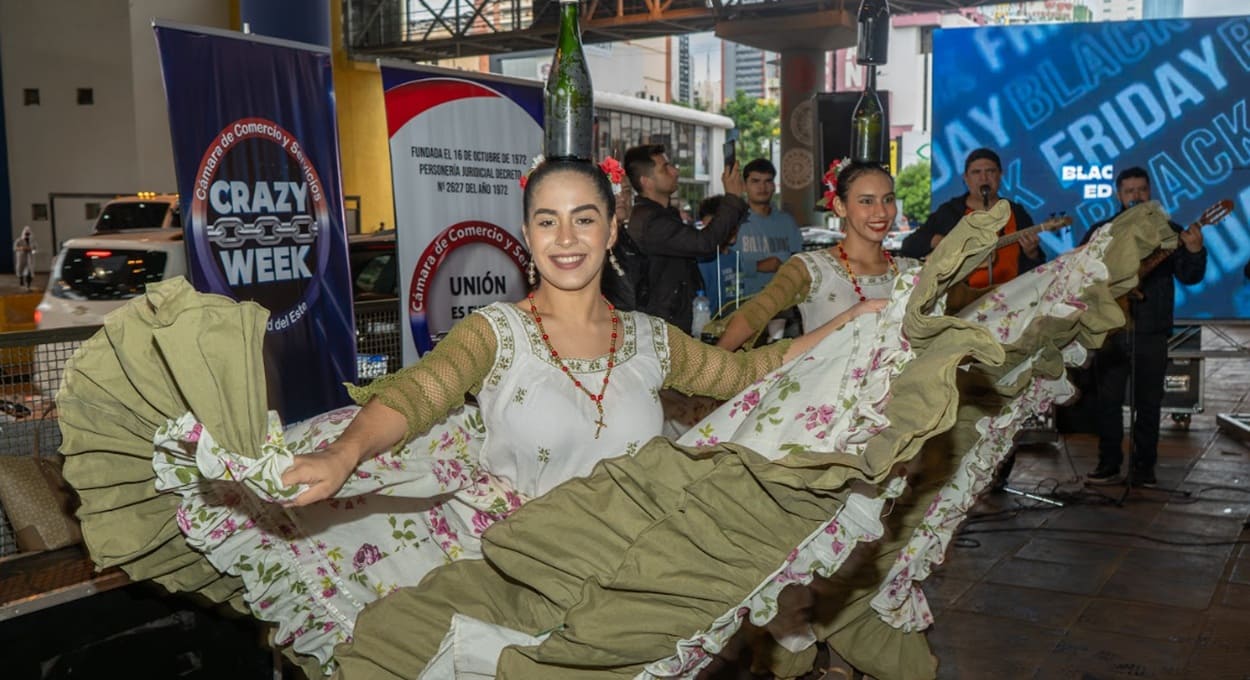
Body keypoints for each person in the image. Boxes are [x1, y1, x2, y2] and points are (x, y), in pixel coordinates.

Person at [56, 158, 877, 674]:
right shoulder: (499, 333)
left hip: (632, 589)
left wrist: (856, 325)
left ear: (613, 228)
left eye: (584, 218)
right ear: (526, 237)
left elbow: (749, 372)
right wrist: (343, 456)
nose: (566, 237)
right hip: (517, 582)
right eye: (547, 221)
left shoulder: (654, 342)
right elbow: (415, 396)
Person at [1085, 167, 1207, 487]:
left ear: (1150, 192)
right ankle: (1108, 464)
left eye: (1142, 190)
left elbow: (1191, 276)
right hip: (1111, 332)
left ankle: (1143, 468)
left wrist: (1195, 251)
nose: (1136, 196)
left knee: (1149, 403)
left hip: (1151, 329)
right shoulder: (1103, 231)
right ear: (1118, 195)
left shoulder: (1170, 231)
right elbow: (1083, 276)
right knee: (1108, 402)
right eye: (1129, 191)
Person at [716, 161, 919, 352]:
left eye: (888, 199)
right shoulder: (811, 268)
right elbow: (755, 313)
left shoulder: (911, 271)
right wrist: (711, 366)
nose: (881, 212)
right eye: (867, 201)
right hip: (823, 387)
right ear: (840, 206)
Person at [623, 143, 747, 334]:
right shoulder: (651, 222)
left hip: (673, 320)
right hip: (663, 326)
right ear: (646, 181)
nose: (675, 171)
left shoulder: (662, 215)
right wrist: (731, 197)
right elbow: (704, 243)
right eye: (666, 168)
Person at [900, 147, 1043, 285]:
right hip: (962, 302)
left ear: (1000, 175)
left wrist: (1032, 254)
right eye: (976, 172)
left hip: (1010, 299)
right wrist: (938, 241)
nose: (984, 178)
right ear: (966, 178)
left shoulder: (1016, 212)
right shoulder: (950, 212)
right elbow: (909, 246)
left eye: (990, 171)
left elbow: (1038, 268)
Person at [728, 158, 803, 299]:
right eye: (755, 181)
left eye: (768, 181)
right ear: (744, 186)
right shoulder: (734, 220)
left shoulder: (786, 222)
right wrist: (756, 266)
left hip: (782, 302)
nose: (762, 187)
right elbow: (722, 266)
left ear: (774, 186)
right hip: (742, 304)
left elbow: (799, 261)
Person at [13, 225, 36, 291]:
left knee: (29, 271)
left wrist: (31, 250)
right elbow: (15, 248)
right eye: (26, 234)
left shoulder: (32, 241)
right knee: (20, 270)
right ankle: (21, 280)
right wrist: (21, 248)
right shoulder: (19, 240)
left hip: (29, 258)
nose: (27, 235)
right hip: (21, 258)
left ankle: (28, 286)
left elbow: (35, 249)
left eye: (28, 234)